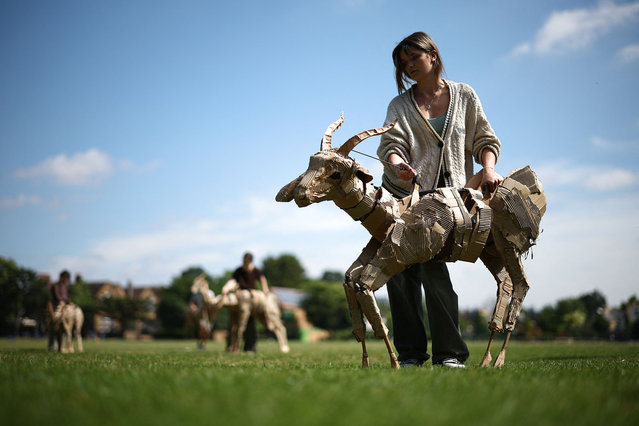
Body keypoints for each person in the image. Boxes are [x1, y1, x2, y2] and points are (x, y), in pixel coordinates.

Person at [377, 32, 503, 368]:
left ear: (432, 55)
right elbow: (390, 145)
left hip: (448, 202)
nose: (407, 67)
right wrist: (397, 164)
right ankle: (410, 355)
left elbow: (485, 139)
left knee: (435, 271)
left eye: (413, 59)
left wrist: (488, 169)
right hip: (403, 198)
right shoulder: (400, 105)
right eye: (402, 63)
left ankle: (449, 354)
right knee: (401, 275)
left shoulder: (464, 95)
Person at [221, 252, 270, 352]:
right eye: (244, 262)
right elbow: (233, 281)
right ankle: (230, 345)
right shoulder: (239, 271)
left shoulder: (256, 271)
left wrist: (265, 289)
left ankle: (250, 347)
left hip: (250, 301)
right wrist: (226, 288)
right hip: (239, 299)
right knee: (232, 323)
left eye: (246, 262)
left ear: (250, 261)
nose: (245, 264)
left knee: (250, 324)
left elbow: (262, 278)